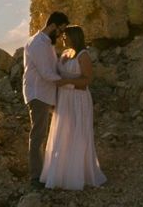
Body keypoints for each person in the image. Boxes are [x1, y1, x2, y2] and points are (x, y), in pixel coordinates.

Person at [40, 25, 107, 190]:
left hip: (78, 99)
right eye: (63, 36)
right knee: (63, 133)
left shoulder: (83, 56)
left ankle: (78, 175)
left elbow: (86, 81)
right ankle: (60, 174)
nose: (63, 39)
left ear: (74, 37)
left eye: (66, 36)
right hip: (64, 99)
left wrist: (67, 82)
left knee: (78, 133)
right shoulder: (65, 54)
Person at [22, 11, 70, 189]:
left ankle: (48, 171)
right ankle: (36, 177)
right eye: (60, 30)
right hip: (38, 94)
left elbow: (52, 68)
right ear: (52, 26)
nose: (61, 34)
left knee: (49, 134)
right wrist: (71, 82)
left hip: (46, 93)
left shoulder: (47, 43)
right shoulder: (37, 44)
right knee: (38, 135)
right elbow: (46, 73)